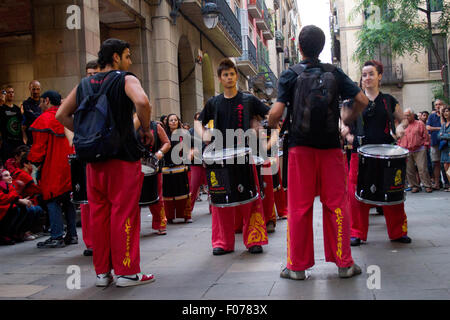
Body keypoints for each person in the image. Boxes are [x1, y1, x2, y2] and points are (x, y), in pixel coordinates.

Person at [268, 25, 367, 280]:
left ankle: (297, 267)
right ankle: (344, 263)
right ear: (321, 47)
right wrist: (346, 116)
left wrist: (271, 123)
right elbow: (362, 101)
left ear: (299, 47)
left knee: (299, 207)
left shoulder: (290, 74)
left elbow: (276, 114)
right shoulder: (335, 73)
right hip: (331, 149)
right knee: (337, 205)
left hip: (300, 149)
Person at [56, 38, 155, 287]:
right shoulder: (125, 78)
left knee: (99, 215)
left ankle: (102, 273)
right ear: (116, 58)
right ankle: (127, 272)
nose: (130, 61)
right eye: (128, 55)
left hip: (93, 161)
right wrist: (146, 129)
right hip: (122, 158)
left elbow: (61, 114)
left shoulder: (84, 84)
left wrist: (83, 135)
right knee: (124, 213)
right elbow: (143, 102)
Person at [195, 58, 270, 255]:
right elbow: (199, 121)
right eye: (225, 75)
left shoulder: (248, 99)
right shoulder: (214, 102)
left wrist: (260, 128)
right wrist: (204, 136)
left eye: (232, 74)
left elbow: (270, 114)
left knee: (251, 198)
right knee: (220, 201)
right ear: (220, 78)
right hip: (220, 158)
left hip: (245, 155)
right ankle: (222, 242)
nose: (229, 77)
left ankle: (254, 239)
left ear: (236, 76)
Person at [345, 60, 411, 247]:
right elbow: (342, 122)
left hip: (387, 154)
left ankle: (398, 232)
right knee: (356, 194)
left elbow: (403, 119)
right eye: (364, 75)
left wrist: (399, 128)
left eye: (371, 74)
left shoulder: (388, 100)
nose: (367, 78)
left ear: (379, 76)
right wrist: (346, 133)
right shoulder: (354, 101)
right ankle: (356, 233)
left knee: (392, 191)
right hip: (361, 154)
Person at [27, 90, 78, 248]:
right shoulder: (68, 117)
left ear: (47, 100)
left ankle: (56, 236)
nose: (40, 105)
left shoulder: (44, 119)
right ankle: (72, 234)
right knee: (69, 200)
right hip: (70, 165)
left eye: (41, 102)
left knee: (51, 199)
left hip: (53, 167)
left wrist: (31, 162)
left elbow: (38, 150)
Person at [134, 115, 171, 234]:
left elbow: (166, 143)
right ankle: (133, 228)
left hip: (153, 166)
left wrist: (159, 153)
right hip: (134, 167)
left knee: (157, 196)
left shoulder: (156, 126)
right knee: (134, 200)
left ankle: (160, 223)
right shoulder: (129, 126)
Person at [163, 113, 193, 223]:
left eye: (175, 120)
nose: (173, 122)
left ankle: (186, 216)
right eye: (171, 120)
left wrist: (188, 161)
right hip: (167, 168)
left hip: (181, 167)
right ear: (167, 123)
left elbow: (190, 148)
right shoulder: (163, 134)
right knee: (168, 193)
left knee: (184, 192)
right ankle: (169, 217)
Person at [398, 108, 432, 193]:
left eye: (408, 115)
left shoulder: (419, 124)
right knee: (409, 170)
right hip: (406, 150)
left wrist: (425, 145)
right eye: (405, 115)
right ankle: (414, 186)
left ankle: (427, 185)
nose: (406, 117)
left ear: (413, 115)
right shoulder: (402, 125)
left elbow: (425, 135)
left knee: (422, 168)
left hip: (419, 149)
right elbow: (399, 137)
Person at [0, 85, 25, 161]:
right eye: (8, 92)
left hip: (18, 142)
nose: (11, 94)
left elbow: (21, 124)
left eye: (12, 92)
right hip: (7, 142)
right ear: (5, 94)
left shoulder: (17, 109)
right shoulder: (1, 109)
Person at [427, 100, 445, 189]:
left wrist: (441, 114)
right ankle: (437, 183)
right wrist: (440, 128)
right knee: (436, 163)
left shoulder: (445, 115)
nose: (438, 106)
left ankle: (447, 183)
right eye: (436, 105)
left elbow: (444, 126)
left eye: (439, 104)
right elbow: (428, 127)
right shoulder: (431, 116)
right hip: (434, 143)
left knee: (446, 163)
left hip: (445, 143)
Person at [21, 80, 43, 146]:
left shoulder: (43, 102)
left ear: (40, 89)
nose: (35, 91)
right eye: (33, 89)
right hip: (31, 136)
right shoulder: (26, 103)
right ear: (30, 89)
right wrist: (42, 116)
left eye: (37, 89)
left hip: (42, 133)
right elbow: (31, 116)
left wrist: (34, 114)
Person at [439, 106, 450, 191]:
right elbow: (438, 136)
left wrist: (444, 135)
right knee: (445, 166)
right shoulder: (443, 125)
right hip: (444, 148)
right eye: (444, 111)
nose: (445, 113)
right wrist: (445, 135)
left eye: (447, 111)